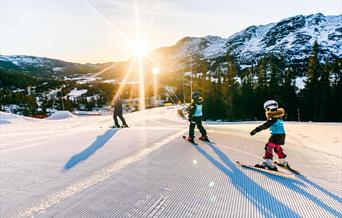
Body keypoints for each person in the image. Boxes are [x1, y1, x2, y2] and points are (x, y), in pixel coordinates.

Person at [250, 100, 288, 170]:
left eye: (267, 109)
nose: (267, 111)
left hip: (276, 135)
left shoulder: (273, 116)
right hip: (282, 135)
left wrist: (257, 129)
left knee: (269, 146)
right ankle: (282, 161)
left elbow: (266, 125)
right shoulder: (279, 115)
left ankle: (268, 162)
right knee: (277, 147)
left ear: (269, 107)